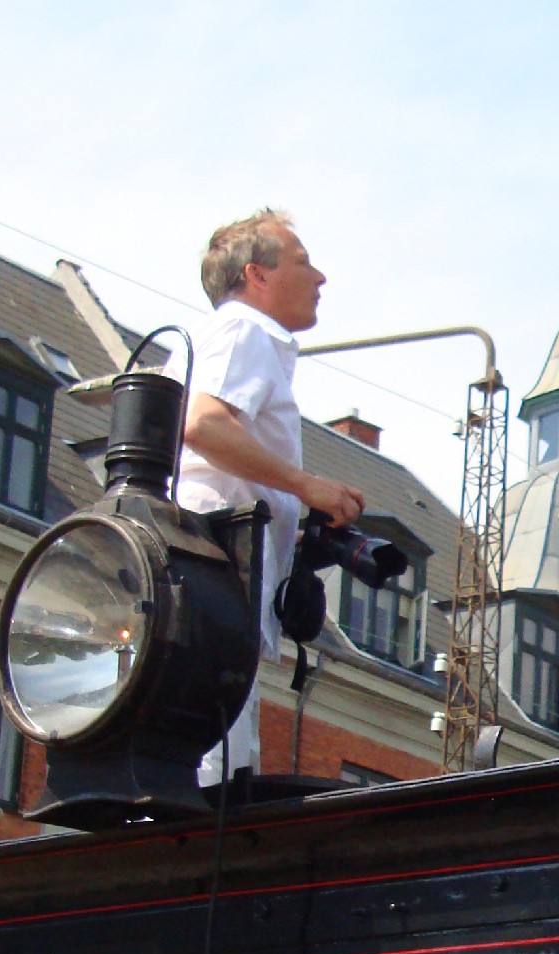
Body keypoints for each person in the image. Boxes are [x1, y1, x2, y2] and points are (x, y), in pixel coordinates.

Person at [165, 209, 364, 783]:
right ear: (257, 275)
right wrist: (307, 487)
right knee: (214, 772)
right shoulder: (245, 330)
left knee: (202, 756)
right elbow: (204, 426)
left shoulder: (215, 339)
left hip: (201, 566)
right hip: (218, 575)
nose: (320, 277)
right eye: (303, 262)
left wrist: (293, 527)